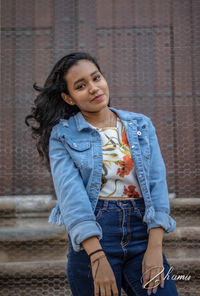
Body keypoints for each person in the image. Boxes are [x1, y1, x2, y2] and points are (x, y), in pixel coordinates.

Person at [25, 52, 178, 296]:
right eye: (81, 86)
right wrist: (96, 256)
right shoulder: (63, 135)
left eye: (96, 78)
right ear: (69, 98)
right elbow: (71, 197)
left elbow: (157, 183)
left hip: (143, 232)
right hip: (94, 234)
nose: (94, 88)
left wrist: (155, 247)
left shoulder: (141, 125)